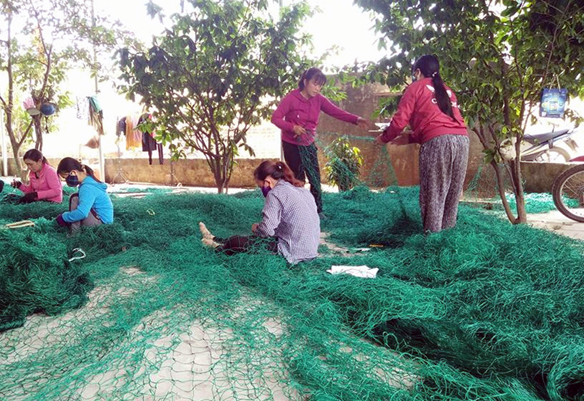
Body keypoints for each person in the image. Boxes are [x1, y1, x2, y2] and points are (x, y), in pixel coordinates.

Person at [376, 54, 469, 233]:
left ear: (417, 72)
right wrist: (410, 138)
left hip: (438, 145)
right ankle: (446, 240)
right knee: (451, 195)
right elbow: (442, 123)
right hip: (462, 142)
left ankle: (432, 242)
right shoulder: (447, 90)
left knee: (433, 195)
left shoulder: (416, 87)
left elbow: (399, 121)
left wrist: (384, 138)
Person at [271, 67, 369, 215]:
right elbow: (275, 118)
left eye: (320, 85)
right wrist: (292, 127)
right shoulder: (291, 98)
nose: (318, 88)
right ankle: (299, 212)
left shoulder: (319, 100)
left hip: (308, 144)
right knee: (298, 180)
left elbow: (336, 112)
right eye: (315, 84)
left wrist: (356, 119)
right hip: (291, 145)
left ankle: (317, 211)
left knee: (315, 179)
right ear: (305, 82)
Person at [199, 160, 320, 264]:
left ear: (267, 181)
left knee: (237, 241)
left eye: (260, 185)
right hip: (310, 249)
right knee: (246, 239)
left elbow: (267, 231)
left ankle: (218, 248)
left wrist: (257, 229)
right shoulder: (302, 191)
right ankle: (215, 238)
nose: (261, 189)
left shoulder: (275, 193)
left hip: (293, 251)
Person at [55, 157, 114, 231]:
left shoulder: (87, 188)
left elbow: (82, 213)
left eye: (65, 177)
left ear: (73, 173)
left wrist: (64, 217)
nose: (66, 181)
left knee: (75, 198)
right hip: (105, 222)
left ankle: (74, 233)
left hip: (101, 225)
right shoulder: (90, 182)